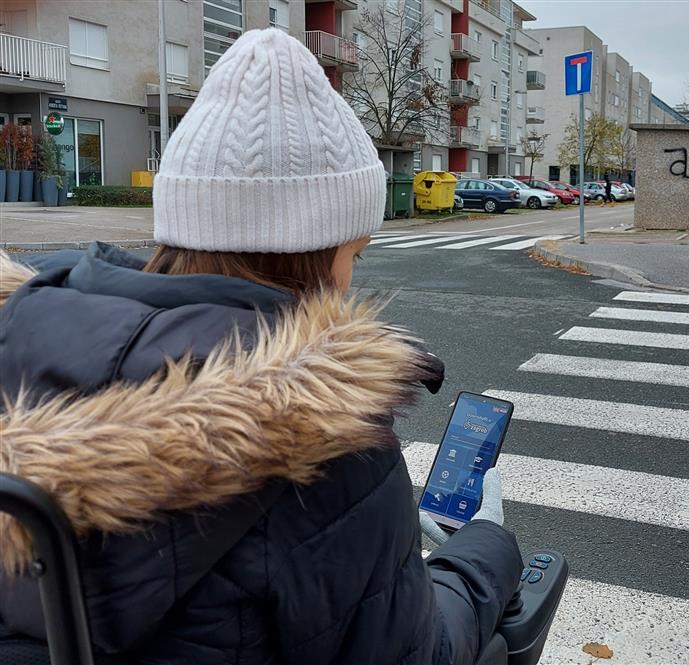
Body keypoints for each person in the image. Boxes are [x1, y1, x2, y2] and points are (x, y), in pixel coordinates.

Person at [0, 29, 522, 664]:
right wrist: (485, 549)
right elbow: (419, 653)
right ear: (316, 251)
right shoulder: (325, 435)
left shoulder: (20, 347)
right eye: (354, 253)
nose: (352, 275)